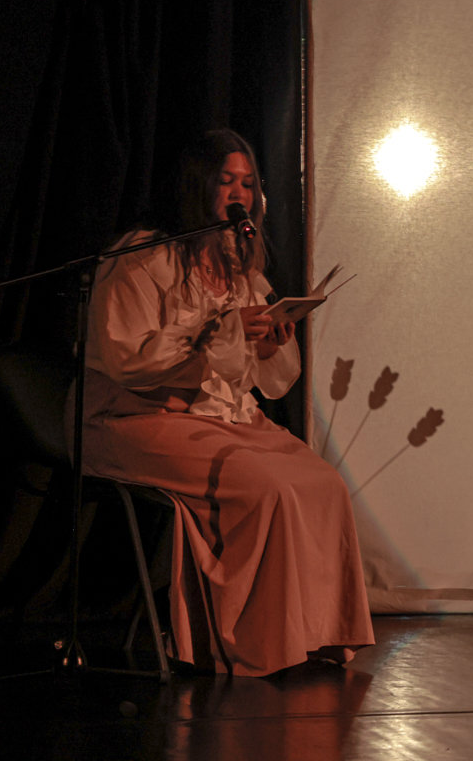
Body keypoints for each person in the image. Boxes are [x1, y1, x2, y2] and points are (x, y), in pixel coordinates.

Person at [74, 128, 374, 675]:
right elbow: (127, 360)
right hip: (135, 416)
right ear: (199, 186)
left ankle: (316, 634)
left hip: (218, 416)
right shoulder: (142, 258)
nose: (240, 194)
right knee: (267, 486)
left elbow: (259, 378)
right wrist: (221, 333)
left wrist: (267, 342)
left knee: (324, 484)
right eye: (226, 181)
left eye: (248, 183)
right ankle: (256, 642)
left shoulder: (239, 264)